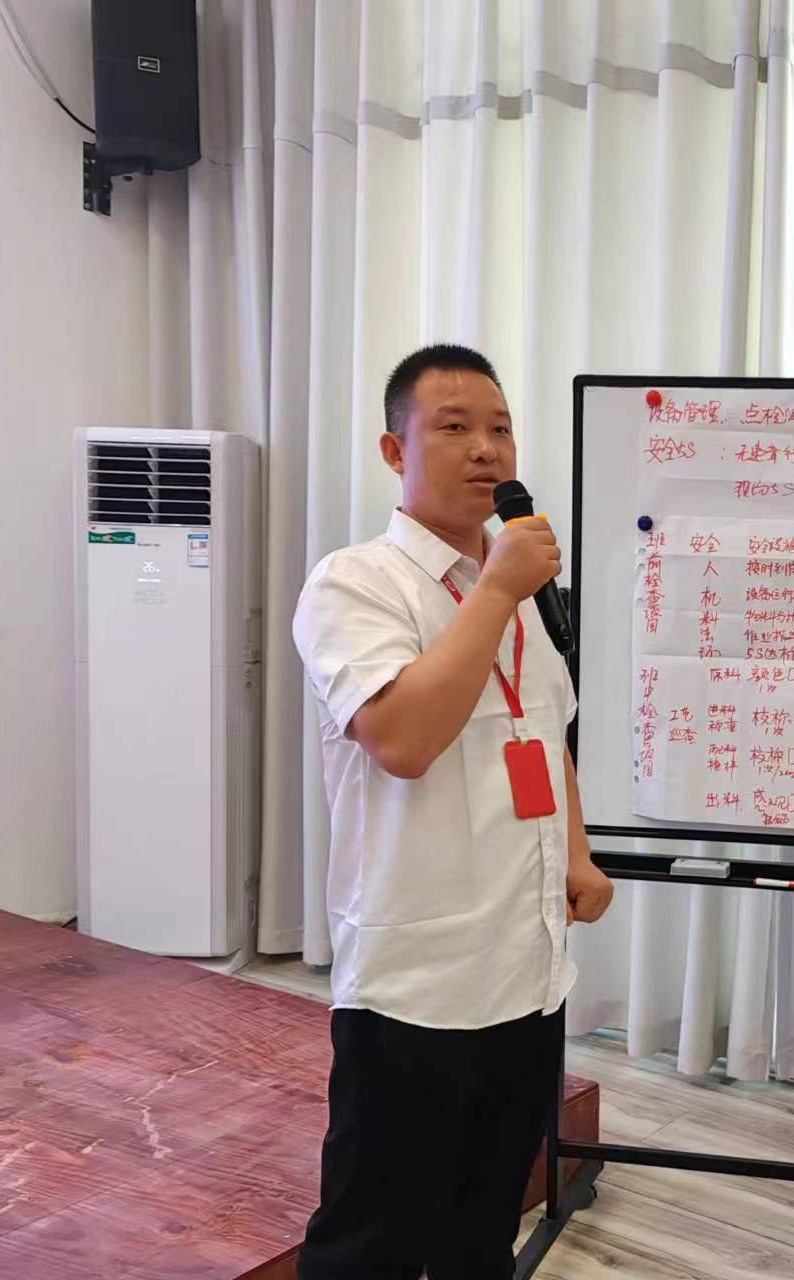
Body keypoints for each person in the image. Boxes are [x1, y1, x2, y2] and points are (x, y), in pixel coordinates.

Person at [291, 343, 614, 1279]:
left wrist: (578, 853)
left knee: (483, 1226)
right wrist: (499, 589)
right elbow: (402, 738)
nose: (486, 448)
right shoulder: (355, 582)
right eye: (455, 427)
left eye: (500, 428)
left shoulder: (520, 587)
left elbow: (546, 731)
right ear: (395, 452)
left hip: (527, 968)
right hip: (417, 981)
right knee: (372, 1241)